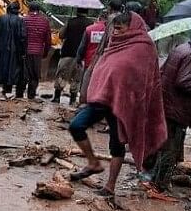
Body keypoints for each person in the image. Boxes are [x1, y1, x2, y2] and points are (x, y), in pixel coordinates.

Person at [68, 12, 167, 197]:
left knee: (117, 143)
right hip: (103, 97)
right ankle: (93, 163)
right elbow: (106, 67)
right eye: (115, 28)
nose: (116, 32)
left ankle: (110, 186)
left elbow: (144, 78)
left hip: (125, 101)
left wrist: (129, 95)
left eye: (120, 28)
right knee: (76, 126)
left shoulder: (144, 47)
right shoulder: (114, 43)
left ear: (131, 27)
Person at [149, 21, 191, 193]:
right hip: (178, 108)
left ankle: (155, 180)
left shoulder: (181, 48)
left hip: (169, 104)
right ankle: (160, 185)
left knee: (166, 145)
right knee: (171, 148)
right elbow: (183, 82)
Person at [78, 0, 124, 104]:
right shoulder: (124, 23)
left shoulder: (90, 28)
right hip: (112, 59)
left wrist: (79, 58)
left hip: (95, 59)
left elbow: (83, 46)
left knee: (88, 79)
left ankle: (85, 103)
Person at [54, 7, 93, 104]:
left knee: (61, 75)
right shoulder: (91, 24)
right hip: (82, 55)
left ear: (76, 11)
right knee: (77, 78)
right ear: (87, 12)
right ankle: (72, 100)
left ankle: (57, 97)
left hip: (68, 52)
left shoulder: (71, 22)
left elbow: (61, 35)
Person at [20, 1, 52, 99]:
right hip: (37, 52)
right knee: (34, 75)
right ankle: (31, 95)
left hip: (25, 51)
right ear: (39, 10)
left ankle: (19, 94)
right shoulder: (45, 21)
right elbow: (48, 40)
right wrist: (45, 52)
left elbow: (20, 36)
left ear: (29, 9)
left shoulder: (24, 20)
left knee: (23, 74)